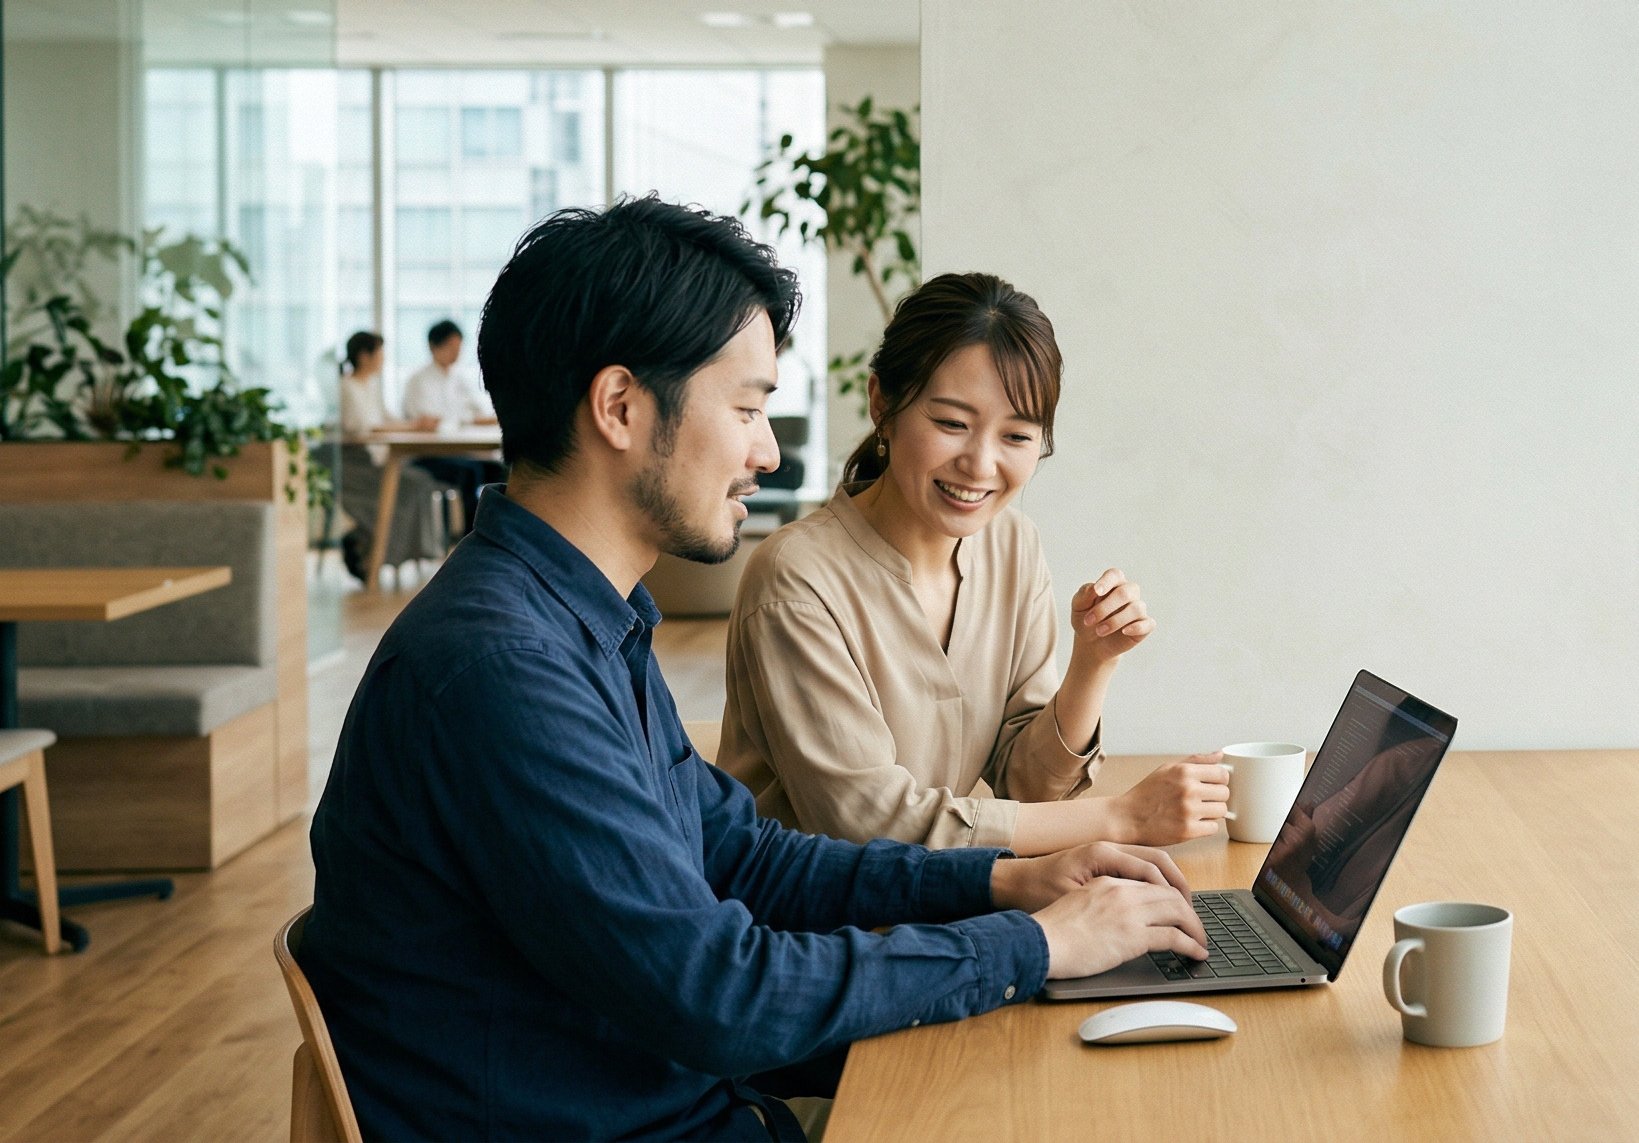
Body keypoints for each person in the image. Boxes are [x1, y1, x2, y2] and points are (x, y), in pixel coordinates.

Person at [302, 199, 1210, 1143]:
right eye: (746, 408)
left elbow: (743, 856)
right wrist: (1034, 943)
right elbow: (716, 994)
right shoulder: (506, 669)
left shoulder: (580, 623)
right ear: (620, 408)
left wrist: (1006, 887)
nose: (767, 451)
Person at [718, 273, 1231, 854]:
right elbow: (873, 830)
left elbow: (1029, 788)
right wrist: (1123, 818)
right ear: (882, 404)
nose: (981, 465)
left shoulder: (1012, 544)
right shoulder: (795, 580)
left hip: (941, 897)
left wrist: (1093, 662)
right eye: (952, 424)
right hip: (804, 908)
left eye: (1016, 436)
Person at [332, 331, 447, 581]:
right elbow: (362, 427)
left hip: (381, 459)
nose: (383, 358)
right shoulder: (347, 387)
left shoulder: (372, 385)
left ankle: (403, 554)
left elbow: (387, 418)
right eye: (380, 352)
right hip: (361, 464)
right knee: (414, 483)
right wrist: (412, 427)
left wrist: (415, 424)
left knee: (421, 481)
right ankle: (386, 554)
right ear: (364, 356)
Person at [401, 318, 504, 531]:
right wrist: (463, 419)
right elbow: (429, 421)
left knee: (499, 471)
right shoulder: (418, 381)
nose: (456, 353)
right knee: (470, 473)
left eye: (459, 347)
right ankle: (471, 535)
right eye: (451, 347)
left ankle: (496, 531)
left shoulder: (458, 378)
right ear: (433, 346)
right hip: (428, 454)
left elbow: (476, 412)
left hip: (459, 452)